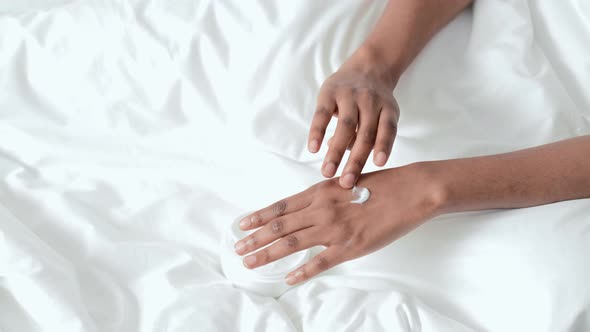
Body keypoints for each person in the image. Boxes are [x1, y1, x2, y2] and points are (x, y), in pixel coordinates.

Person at [233, 0, 590, 286]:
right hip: (476, 38)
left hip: (555, 160)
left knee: (552, 271)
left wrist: (428, 188)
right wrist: (373, 64)